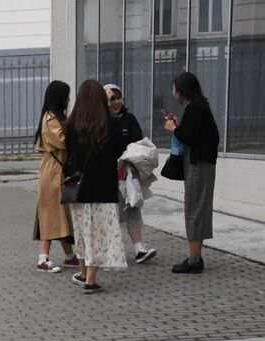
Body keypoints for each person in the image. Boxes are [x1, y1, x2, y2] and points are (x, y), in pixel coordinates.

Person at [64, 79, 127, 294]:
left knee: (82, 231)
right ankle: (90, 280)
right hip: (103, 187)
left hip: (78, 188)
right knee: (99, 233)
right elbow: (119, 151)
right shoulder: (112, 124)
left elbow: (68, 154)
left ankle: (83, 273)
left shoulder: (71, 124)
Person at [164, 70, 220, 273]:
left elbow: (190, 138)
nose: (172, 93)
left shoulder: (194, 108)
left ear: (182, 90)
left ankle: (194, 260)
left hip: (199, 164)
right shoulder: (198, 107)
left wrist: (173, 128)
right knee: (197, 208)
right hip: (202, 163)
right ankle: (195, 257)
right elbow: (195, 133)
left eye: (174, 89)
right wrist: (179, 125)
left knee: (195, 209)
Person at [104, 83, 156, 264]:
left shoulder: (129, 119)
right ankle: (109, 251)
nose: (116, 102)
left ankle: (139, 249)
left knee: (133, 208)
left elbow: (138, 144)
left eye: (118, 98)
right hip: (108, 174)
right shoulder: (101, 121)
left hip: (127, 172)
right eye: (111, 99)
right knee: (110, 212)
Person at [33, 81, 81, 273]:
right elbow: (63, 141)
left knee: (59, 214)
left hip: (56, 172)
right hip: (52, 173)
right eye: (67, 95)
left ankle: (69, 256)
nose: (69, 99)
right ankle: (42, 259)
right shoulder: (50, 118)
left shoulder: (57, 117)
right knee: (51, 214)